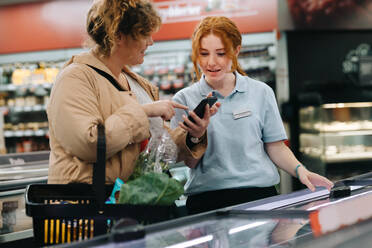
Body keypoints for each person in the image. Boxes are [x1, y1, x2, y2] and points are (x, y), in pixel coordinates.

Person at [170, 16, 334, 215]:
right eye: (203, 54)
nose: (211, 62)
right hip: (207, 202)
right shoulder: (184, 99)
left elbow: (275, 146)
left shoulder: (261, 92)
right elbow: (190, 163)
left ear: (236, 51)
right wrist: (197, 135)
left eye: (221, 53)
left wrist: (302, 171)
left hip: (259, 197)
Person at [47, 0, 218, 184]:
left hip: (131, 201)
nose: (151, 42)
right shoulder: (75, 78)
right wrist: (144, 112)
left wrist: (194, 134)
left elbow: (158, 151)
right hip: (88, 205)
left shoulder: (137, 84)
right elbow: (90, 144)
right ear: (118, 35)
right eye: (144, 34)